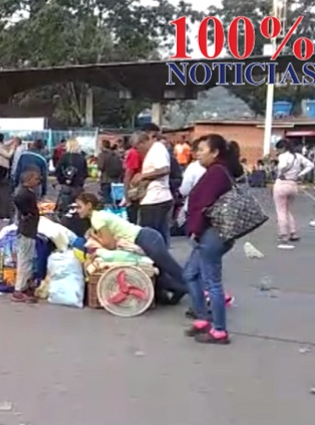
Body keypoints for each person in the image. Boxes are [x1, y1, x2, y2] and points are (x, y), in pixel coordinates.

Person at [74, 192, 188, 304]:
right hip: (147, 237)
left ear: (89, 206)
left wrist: (94, 236)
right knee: (161, 271)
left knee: (173, 270)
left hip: (146, 239)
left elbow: (110, 244)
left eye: (79, 207)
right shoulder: (101, 214)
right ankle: (178, 291)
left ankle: (197, 294)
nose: (77, 210)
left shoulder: (96, 218)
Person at [182, 134, 241, 344]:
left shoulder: (216, 173)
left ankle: (219, 330)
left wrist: (194, 230)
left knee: (212, 282)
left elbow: (202, 206)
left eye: (202, 150)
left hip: (211, 234)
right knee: (190, 274)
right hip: (212, 233)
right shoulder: (217, 171)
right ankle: (203, 318)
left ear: (215, 153)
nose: (197, 153)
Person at [131, 132, 174, 245]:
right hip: (156, 198)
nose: (138, 151)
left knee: (149, 236)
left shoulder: (157, 150)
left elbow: (164, 169)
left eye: (137, 148)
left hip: (156, 199)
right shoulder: (154, 151)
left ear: (142, 142)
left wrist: (143, 176)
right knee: (158, 235)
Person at [273, 139, 314, 249]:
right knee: (287, 210)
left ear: (283, 148)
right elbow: (310, 165)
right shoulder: (298, 156)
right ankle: (293, 232)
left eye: (278, 148)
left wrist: (281, 171)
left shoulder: (283, 156)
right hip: (293, 184)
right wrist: (299, 174)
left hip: (281, 184)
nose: (277, 151)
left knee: (281, 210)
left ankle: (283, 234)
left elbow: (282, 166)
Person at [12, 168, 41, 303]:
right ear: (28, 180)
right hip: (27, 230)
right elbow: (17, 199)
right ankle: (20, 289)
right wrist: (27, 213)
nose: (38, 181)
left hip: (27, 230)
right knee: (25, 260)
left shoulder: (26, 192)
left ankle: (24, 286)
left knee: (26, 259)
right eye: (36, 179)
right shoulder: (25, 193)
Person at [54, 139, 88, 211]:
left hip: (66, 184)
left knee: (65, 206)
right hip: (78, 186)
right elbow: (85, 172)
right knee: (77, 207)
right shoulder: (82, 158)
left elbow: (58, 170)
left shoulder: (65, 156)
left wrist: (61, 180)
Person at [96, 139, 123, 205]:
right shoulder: (116, 154)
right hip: (116, 179)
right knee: (116, 197)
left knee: (107, 198)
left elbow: (100, 167)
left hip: (106, 179)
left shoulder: (102, 155)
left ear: (102, 146)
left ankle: (109, 210)